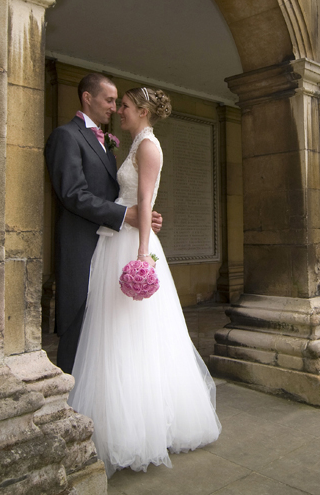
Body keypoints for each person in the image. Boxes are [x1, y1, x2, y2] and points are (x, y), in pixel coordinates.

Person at [68, 86, 221, 476]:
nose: (119, 110)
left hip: (130, 244)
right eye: (118, 104)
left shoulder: (148, 147)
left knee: (132, 331)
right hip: (117, 236)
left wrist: (141, 256)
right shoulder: (135, 144)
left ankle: (139, 429)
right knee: (114, 331)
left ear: (142, 110)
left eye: (125, 106)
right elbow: (135, 202)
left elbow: (147, 201)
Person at [44, 73, 162, 374]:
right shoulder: (66, 136)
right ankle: (71, 393)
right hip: (81, 244)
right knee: (78, 319)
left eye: (119, 103)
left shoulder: (107, 143)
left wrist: (142, 217)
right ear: (88, 98)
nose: (114, 107)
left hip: (109, 243)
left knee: (106, 324)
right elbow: (72, 194)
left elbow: (119, 194)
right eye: (110, 100)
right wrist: (127, 215)